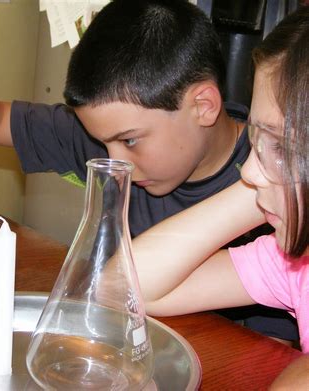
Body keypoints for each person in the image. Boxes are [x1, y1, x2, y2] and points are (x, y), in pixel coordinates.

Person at [0, 1, 295, 341]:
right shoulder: (108, 136)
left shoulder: (285, 188)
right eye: (103, 141)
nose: (114, 160)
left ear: (204, 106)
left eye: (131, 140)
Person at [132, 6, 309, 389]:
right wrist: (260, 190)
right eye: (258, 139)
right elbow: (131, 284)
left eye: (282, 145)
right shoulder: (293, 265)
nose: (246, 171)